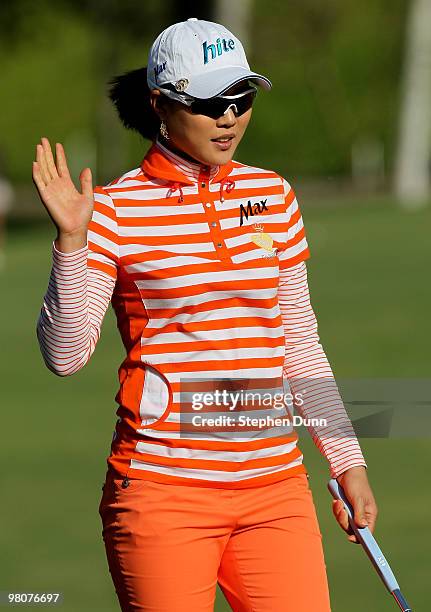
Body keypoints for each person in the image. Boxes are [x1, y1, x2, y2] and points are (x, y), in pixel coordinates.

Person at [33, 17, 378, 612]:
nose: (230, 117)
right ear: (160, 105)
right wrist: (72, 242)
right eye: (211, 102)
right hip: (163, 494)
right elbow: (65, 356)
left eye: (241, 98)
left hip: (275, 489)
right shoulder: (112, 211)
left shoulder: (273, 195)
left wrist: (347, 459)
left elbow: (297, 341)